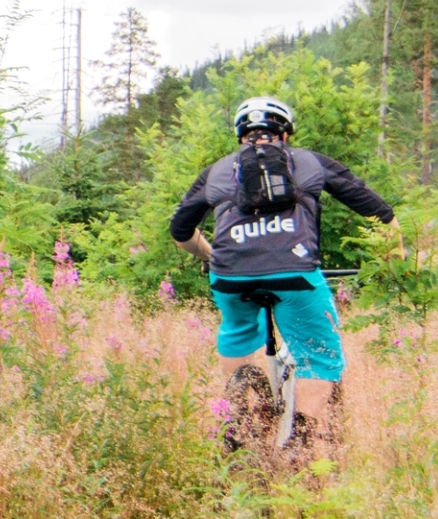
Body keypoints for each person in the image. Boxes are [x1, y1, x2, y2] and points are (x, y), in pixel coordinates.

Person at [167, 95, 394, 450]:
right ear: (285, 134)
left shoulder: (216, 171)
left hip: (230, 277)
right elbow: (370, 203)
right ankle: (301, 445)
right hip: (295, 273)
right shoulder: (308, 161)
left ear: (241, 136)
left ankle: (237, 414)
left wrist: (213, 256)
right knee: (319, 355)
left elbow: (180, 231)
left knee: (237, 330)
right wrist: (396, 245)